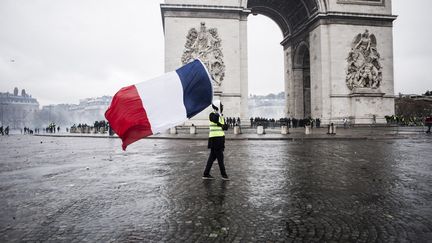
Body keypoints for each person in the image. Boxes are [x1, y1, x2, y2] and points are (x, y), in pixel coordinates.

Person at [203, 100, 229, 180]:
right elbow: (214, 119)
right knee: (220, 158)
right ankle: (224, 175)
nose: (222, 107)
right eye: (220, 106)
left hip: (220, 139)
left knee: (212, 158)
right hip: (215, 139)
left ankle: (206, 174)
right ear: (217, 107)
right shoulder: (212, 114)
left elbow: (225, 127)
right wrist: (218, 115)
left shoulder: (221, 116)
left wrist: (223, 125)